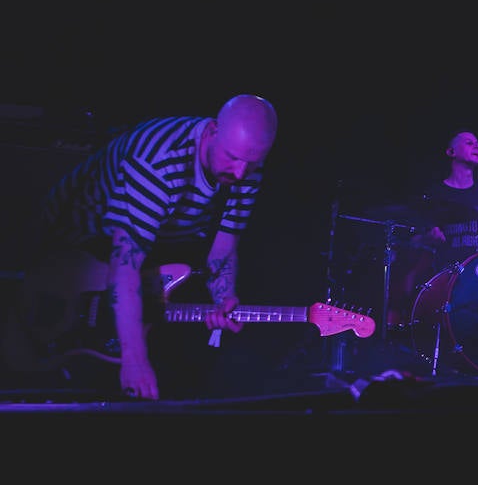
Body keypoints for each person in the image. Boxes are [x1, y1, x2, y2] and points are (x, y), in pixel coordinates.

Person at [9, 94, 278, 401]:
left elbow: (225, 245)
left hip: (153, 244)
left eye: (252, 162)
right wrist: (134, 361)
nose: (241, 172)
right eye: (232, 157)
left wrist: (222, 298)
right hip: (74, 249)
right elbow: (124, 267)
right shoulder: (159, 163)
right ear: (213, 131)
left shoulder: (245, 166)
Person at [377, 128, 478, 332]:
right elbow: (413, 242)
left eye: (477, 143)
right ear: (451, 152)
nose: (477, 146)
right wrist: (427, 239)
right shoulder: (436, 194)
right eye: (468, 142)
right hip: (447, 279)